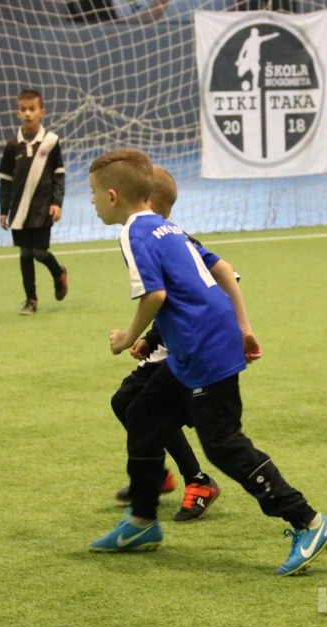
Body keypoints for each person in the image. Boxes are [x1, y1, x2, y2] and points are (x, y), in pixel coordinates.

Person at [87, 149, 327, 575]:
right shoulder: (169, 227)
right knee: (142, 415)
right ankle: (143, 522)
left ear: (113, 196)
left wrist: (126, 337)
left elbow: (155, 295)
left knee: (223, 444)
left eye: (93, 194)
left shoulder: (134, 232)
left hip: (203, 347)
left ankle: (308, 522)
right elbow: (222, 268)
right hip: (198, 344)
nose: (92, 201)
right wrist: (243, 325)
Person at [110, 165, 222, 523]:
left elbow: (219, 279)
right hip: (172, 345)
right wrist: (151, 338)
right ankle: (156, 475)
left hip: (192, 350)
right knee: (128, 403)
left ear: (148, 200)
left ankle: (196, 480)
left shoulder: (171, 237)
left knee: (221, 438)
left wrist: (139, 337)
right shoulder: (160, 235)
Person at [0, 88, 68, 315]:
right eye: (23, 110)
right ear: (17, 113)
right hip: (18, 210)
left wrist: (57, 202)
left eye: (32, 109)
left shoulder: (50, 142)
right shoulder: (11, 146)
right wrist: (3, 210)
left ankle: (59, 273)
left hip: (42, 208)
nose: (27, 113)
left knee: (39, 252)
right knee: (25, 254)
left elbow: (58, 174)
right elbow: (6, 181)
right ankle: (31, 300)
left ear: (42, 112)